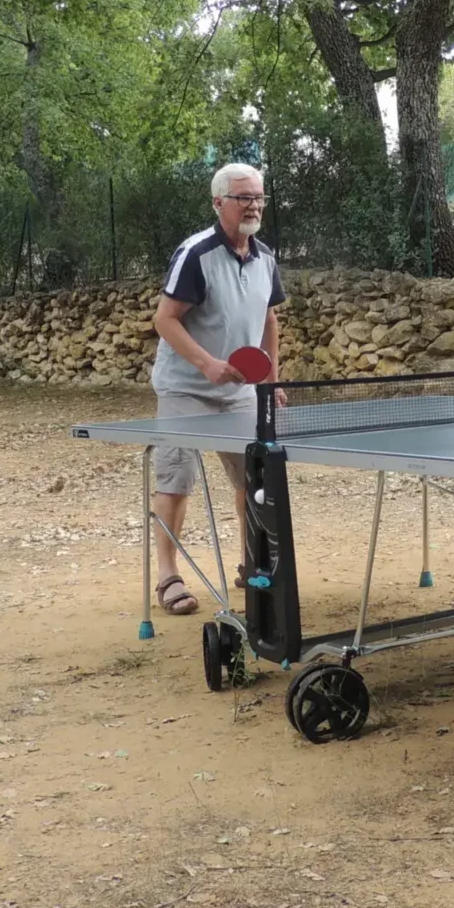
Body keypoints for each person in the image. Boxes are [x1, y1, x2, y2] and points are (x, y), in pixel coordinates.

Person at [148, 164, 283, 617]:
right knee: (176, 479)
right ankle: (168, 576)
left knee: (256, 478)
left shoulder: (265, 257)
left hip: (240, 390)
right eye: (244, 197)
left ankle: (252, 564)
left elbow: (269, 319)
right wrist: (207, 365)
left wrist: (271, 380)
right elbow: (164, 319)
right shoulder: (196, 254)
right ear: (218, 203)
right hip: (187, 386)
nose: (254, 205)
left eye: (259, 197)